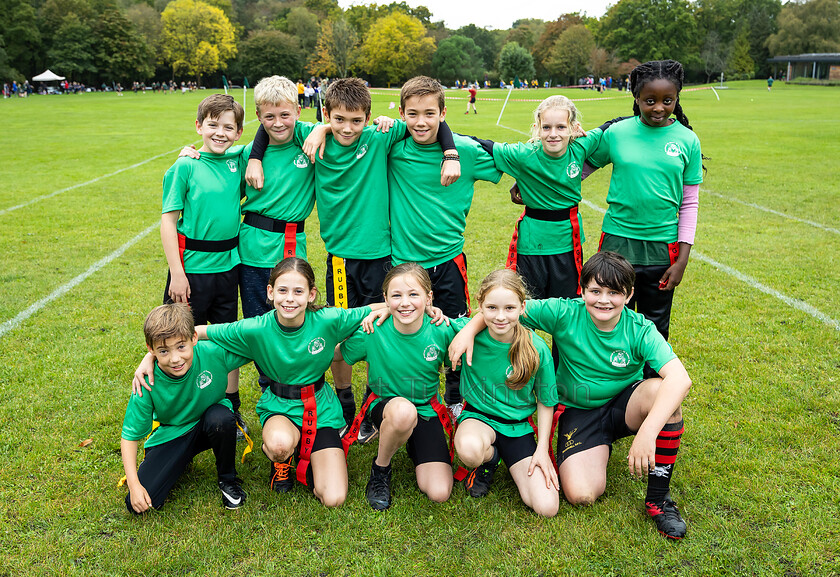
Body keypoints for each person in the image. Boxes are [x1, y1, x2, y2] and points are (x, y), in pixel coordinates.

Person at [246, 77, 461, 443]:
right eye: (339, 120)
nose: (347, 128)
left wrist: (451, 153)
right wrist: (259, 153)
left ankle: (378, 400)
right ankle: (346, 403)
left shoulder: (380, 137)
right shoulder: (311, 136)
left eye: (356, 120)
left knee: (384, 328)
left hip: (383, 259)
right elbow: (269, 126)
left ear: (369, 117)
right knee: (342, 335)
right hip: (341, 261)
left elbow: (434, 122)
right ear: (326, 114)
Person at [450, 252, 692, 538]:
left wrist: (648, 433)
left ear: (629, 295)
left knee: (663, 393)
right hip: (579, 411)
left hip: (625, 405)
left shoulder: (640, 328)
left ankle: (658, 500)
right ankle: (596, 448)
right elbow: (505, 308)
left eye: (614, 292)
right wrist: (469, 329)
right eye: (596, 291)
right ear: (583, 289)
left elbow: (680, 379)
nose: (604, 300)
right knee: (581, 494)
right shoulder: (564, 312)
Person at [177, 77, 315, 392]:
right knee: (258, 324)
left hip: (293, 250)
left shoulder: (308, 140)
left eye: (285, 115)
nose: (278, 123)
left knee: (294, 320)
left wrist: (319, 128)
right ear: (258, 117)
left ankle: (300, 382)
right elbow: (212, 159)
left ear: (296, 110)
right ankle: (270, 388)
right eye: (269, 117)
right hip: (251, 251)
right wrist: (189, 153)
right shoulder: (243, 154)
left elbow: (333, 128)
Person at [386, 76, 501, 419]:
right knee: (401, 331)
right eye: (412, 114)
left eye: (429, 113)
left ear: (443, 113)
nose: (420, 122)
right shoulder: (393, 147)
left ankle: (454, 393)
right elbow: (346, 128)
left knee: (455, 326)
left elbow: (514, 160)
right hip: (405, 263)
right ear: (403, 115)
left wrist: (522, 188)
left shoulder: (465, 151)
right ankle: (397, 395)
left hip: (449, 260)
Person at [586, 59, 702, 349]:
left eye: (667, 100)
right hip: (617, 243)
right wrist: (534, 185)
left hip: (663, 250)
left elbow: (689, 204)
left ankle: (650, 388)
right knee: (610, 320)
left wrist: (682, 259)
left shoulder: (688, 140)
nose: (659, 108)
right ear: (636, 98)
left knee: (655, 327)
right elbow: (581, 169)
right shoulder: (617, 133)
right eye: (650, 100)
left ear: (677, 99)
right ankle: (614, 386)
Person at [160, 94, 247, 433]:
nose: (220, 133)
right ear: (199, 126)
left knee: (224, 338)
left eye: (229, 127)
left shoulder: (237, 161)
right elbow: (168, 221)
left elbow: (269, 139)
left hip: (228, 268)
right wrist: (177, 274)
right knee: (178, 339)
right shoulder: (185, 165)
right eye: (212, 125)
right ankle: (176, 409)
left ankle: (231, 406)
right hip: (191, 270)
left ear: (239, 132)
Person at [339, 263, 457, 510]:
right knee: (403, 412)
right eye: (396, 296)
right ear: (385, 299)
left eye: (414, 294)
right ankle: (381, 468)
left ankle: (414, 443)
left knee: (439, 492)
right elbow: (337, 355)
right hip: (385, 406)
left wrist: (464, 331)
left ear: (429, 297)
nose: (405, 302)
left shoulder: (441, 329)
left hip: (426, 407)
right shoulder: (373, 329)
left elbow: (483, 327)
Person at [448, 269, 560, 518]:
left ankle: (507, 457)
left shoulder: (536, 348)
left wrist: (542, 449)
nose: (500, 317)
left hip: (518, 427)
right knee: (469, 449)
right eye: (492, 308)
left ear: (522, 307)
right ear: (480, 306)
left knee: (547, 507)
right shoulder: (466, 332)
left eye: (509, 308)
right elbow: (427, 322)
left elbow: (546, 401)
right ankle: (488, 459)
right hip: (479, 418)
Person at [121, 304, 249, 513]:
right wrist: (134, 486)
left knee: (221, 418)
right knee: (141, 505)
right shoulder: (146, 381)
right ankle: (181, 458)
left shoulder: (213, 352)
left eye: (181, 347)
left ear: (194, 339)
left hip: (212, 423)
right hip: (174, 433)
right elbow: (129, 436)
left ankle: (228, 481)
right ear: (150, 349)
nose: (175, 358)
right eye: (163, 351)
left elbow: (254, 343)